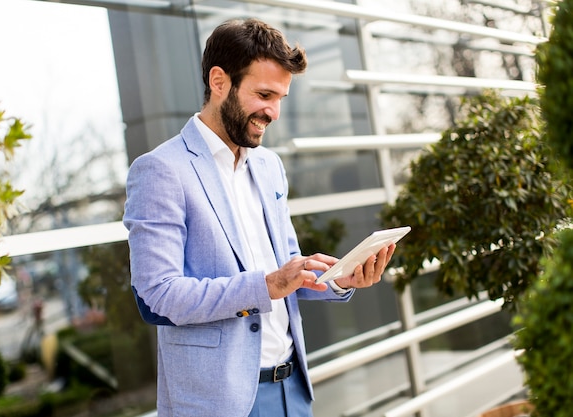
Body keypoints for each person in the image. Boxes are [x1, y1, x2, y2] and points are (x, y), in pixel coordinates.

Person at [123, 18, 395, 417]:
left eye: (281, 97)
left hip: (292, 391)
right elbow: (158, 295)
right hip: (220, 402)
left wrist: (339, 280)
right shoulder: (161, 170)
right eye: (264, 94)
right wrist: (265, 286)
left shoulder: (268, 166)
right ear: (219, 82)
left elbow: (288, 271)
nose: (274, 112)